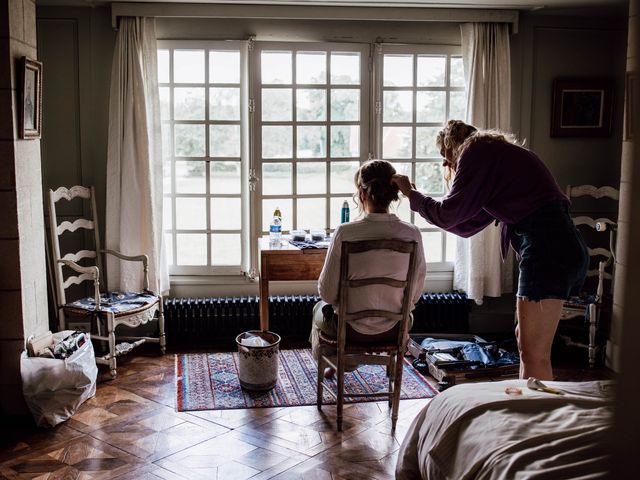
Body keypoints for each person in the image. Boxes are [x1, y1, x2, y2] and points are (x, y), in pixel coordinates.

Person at [391, 120, 588, 381]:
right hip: (561, 247)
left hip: (547, 250)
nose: (445, 164)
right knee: (526, 343)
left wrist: (411, 194)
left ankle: (536, 415)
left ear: (454, 146)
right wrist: (419, 200)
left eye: (445, 155)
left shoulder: (476, 150)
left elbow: (449, 215)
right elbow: (465, 226)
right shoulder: (495, 157)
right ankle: (529, 408)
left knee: (534, 353)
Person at [311, 159, 427, 378]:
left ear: (362, 193)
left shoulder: (345, 232)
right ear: (394, 195)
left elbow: (326, 292)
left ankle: (341, 361)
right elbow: (415, 294)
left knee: (318, 308)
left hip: (350, 330)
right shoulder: (412, 234)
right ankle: (386, 367)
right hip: (395, 328)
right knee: (407, 315)